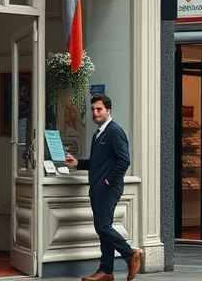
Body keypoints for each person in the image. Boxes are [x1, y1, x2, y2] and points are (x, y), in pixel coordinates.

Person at [65, 94, 144, 281]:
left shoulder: (114, 131)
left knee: (102, 226)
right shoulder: (98, 133)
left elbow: (125, 160)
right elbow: (97, 162)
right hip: (98, 187)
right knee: (104, 228)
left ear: (108, 110)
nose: (95, 113)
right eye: (93, 109)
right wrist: (77, 163)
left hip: (108, 188)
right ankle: (106, 271)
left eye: (99, 109)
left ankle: (130, 253)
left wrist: (108, 180)